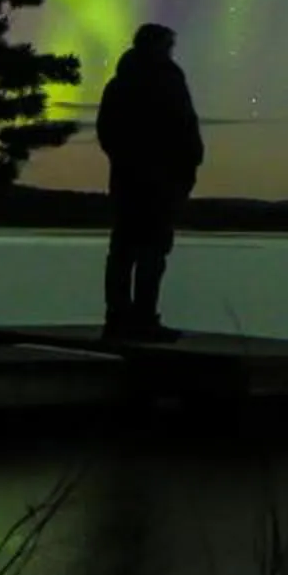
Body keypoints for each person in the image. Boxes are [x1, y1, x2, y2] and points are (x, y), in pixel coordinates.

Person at [95, 22, 202, 338]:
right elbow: (182, 127)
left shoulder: (129, 83)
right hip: (151, 181)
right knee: (144, 249)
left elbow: (184, 128)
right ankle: (135, 320)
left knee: (131, 249)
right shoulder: (157, 83)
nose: (170, 51)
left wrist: (186, 165)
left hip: (148, 179)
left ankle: (126, 318)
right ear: (154, 46)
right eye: (167, 45)